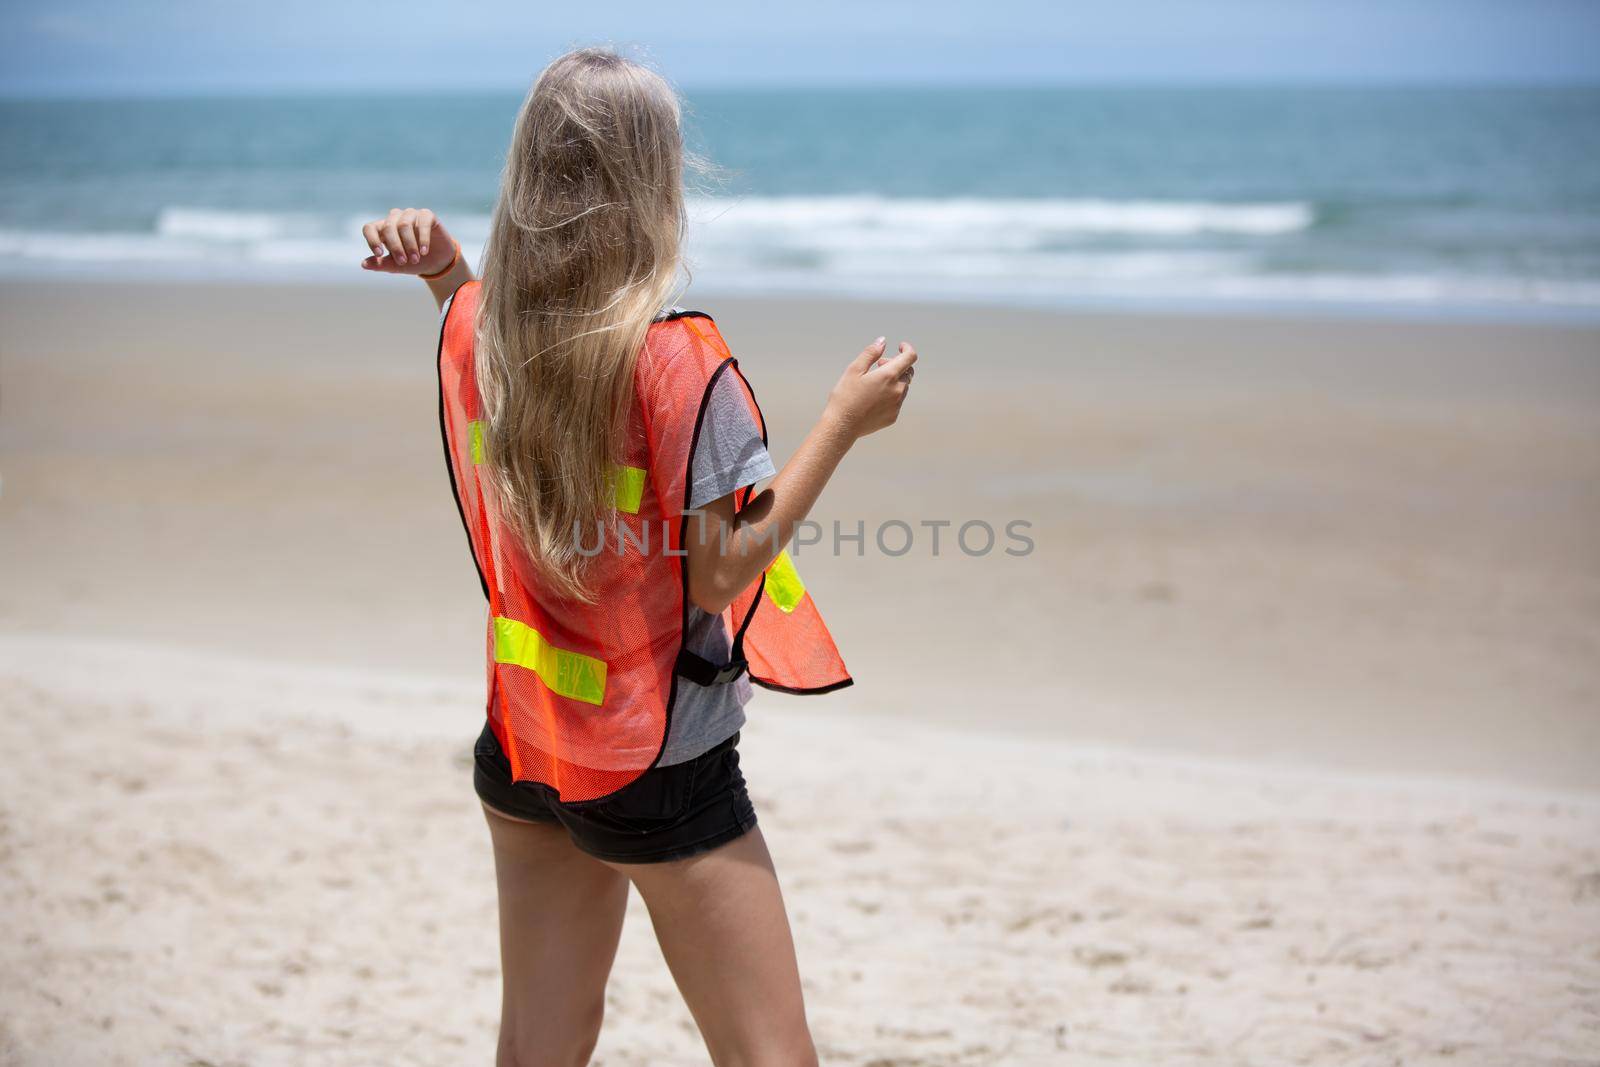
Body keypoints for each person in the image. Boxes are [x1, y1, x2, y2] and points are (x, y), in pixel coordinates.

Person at [358, 48, 916, 1067]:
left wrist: (444, 271)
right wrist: (842, 423)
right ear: (653, 183)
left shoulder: (489, 331)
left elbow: (472, 317)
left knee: (540, 1041)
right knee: (769, 1054)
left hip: (527, 737)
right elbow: (719, 570)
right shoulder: (676, 361)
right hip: (659, 760)